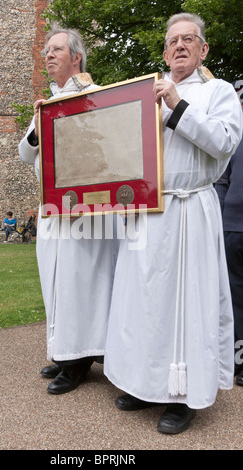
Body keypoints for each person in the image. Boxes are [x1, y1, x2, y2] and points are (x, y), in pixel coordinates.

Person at [104, 12, 243, 434]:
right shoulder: (143, 92)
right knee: (143, 300)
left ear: (203, 49)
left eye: (189, 39)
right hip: (147, 209)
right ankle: (143, 383)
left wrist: (176, 105)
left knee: (186, 302)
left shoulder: (218, 92)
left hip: (189, 209)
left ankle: (183, 394)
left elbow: (223, 141)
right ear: (164, 52)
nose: (179, 46)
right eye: (172, 41)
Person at [18, 24, 120, 394]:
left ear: (76, 57)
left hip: (83, 212)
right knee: (55, 282)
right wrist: (35, 130)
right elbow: (25, 152)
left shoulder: (95, 96)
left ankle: (78, 362)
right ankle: (64, 352)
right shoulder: (47, 102)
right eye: (46, 50)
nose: (48, 55)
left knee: (81, 283)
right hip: (51, 208)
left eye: (56, 49)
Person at [215, 80, 243, 387]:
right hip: (234, 224)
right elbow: (222, 181)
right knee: (236, 295)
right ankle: (238, 356)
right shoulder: (233, 135)